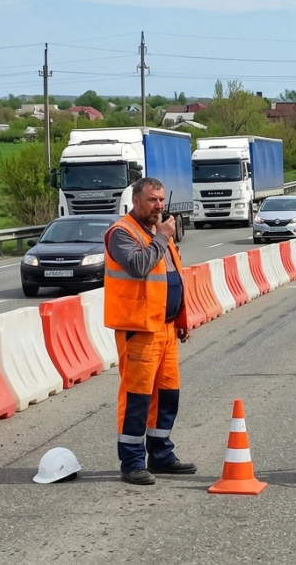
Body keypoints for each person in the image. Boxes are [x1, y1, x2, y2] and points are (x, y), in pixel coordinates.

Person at [104, 177, 195, 485]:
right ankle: (131, 461)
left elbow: (172, 278)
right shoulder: (122, 233)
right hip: (138, 330)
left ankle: (160, 455)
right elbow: (138, 266)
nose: (158, 205)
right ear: (136, 202)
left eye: (160, 200)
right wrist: (161, 238)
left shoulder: (160, 233)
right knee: (137, 398)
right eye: (152, 200)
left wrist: (180, 320)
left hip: (166, 328)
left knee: (167, 396)